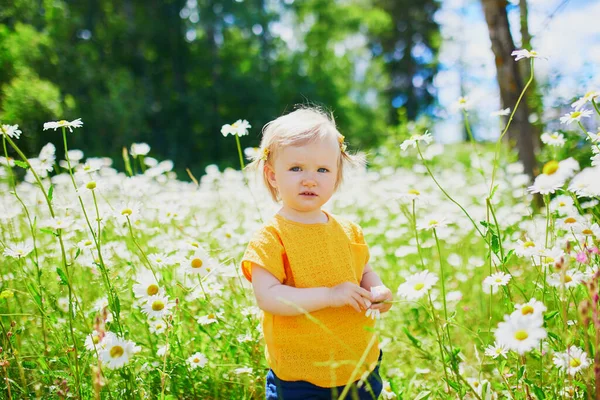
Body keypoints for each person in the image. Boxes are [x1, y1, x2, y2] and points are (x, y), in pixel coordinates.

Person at [241, 106, 393, 400]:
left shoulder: (350, 230)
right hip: (302, 378)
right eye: (296, 168)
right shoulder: (271, 236)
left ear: (336, 176)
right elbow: (268, 296)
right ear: (273, 176)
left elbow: (364, 271)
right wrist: (329, 295)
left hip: (359, 365)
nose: (310, 179)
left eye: (323, 169)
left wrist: (377, 290)